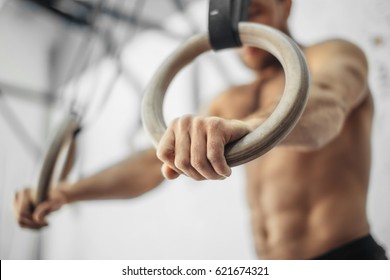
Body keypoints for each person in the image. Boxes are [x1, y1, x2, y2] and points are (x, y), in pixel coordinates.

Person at [13, 0, 387, 260]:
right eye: (232, 21)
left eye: (253, 10)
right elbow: (154, 163)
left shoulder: (331, 56)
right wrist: (66, 192)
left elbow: (325, 108)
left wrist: (251, 127)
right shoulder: (228, 101)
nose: (242, 31)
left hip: (345, 257)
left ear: (284, 5)